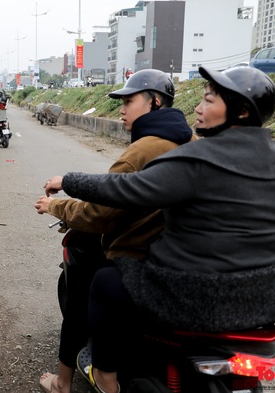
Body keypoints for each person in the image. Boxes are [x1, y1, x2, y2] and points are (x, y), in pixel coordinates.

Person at [43, 66, 275, 393]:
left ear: (241, 111)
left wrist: (68, 181)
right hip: (264, 302)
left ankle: (105, 378)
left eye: (209, 100)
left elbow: (126, 191)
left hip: (192, 297)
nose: (197, 108)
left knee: (104, 282)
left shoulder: (196, 158)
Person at [34, 69, 196, 393]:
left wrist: (55, 207)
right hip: (181, 259)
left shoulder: (142, 150)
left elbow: (101, 214)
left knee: (84, 293)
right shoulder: (190, 141)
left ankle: (67, 382)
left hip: (141, 257)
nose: (121, 110)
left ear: (156, 102)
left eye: (129, 101)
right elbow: (118, 188)